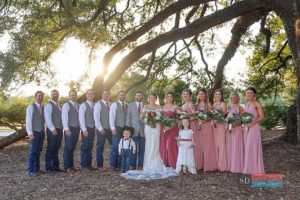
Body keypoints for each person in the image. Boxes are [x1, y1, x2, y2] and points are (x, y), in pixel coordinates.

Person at [121, 93, 177, 180]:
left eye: (153, 97)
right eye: (150, 97)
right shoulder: (146, 106)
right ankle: (147, 164)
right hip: (148, 128)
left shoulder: (159, 107)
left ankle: (156, 162)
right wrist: (148, 122)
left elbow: (163, 118)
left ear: (155, 98)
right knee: (149, 145)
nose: (152, 99)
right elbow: (141, 117)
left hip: (157, 127)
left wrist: (158, 121)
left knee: (156, 144)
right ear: (148, 98)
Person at [243, 87, 265, 174]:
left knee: (252, 147)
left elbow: (262, 117)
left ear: (254, 94)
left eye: (251, 93)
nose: (249, 94)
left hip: (254, 128)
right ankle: (249, 168)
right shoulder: (246, 104)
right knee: (248, 148)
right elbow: (245, 116)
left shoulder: (257, 104)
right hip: (246, 128)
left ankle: (256, 169)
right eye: (247, 93)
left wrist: (252, 123)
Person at [196, 88, 217, 172]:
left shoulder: (208, 104)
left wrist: (203, 121)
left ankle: (208, 165)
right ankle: (200, 164)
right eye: (200, 94)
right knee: (200, 145)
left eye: (203, 94)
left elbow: (212, 116)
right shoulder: (196, 105)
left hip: (207, 126)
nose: (201, 95)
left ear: (205, 95)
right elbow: (195, 115)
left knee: (207, 145)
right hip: (199, 126)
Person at [180, 88, 201, 169]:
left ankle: (194, 164)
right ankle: (186, 164)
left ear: (190, 96)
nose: (185, 95)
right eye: (184, 94)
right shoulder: (183, 105)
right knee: (186, 144)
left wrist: (187, 121)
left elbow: (195, 116)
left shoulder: (191, 104)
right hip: (185, 127)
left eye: (187, 94)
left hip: (191, 126)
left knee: (192, 143)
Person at [26, 91, 45, 176]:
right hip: (34, 132)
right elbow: (28, 121)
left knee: (38, 150)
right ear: (35, 97)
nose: (40, 97)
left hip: (41, 132)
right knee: (33, 151)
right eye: (39, 96)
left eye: (41, 96)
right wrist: (30, 133)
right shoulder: (31, 107)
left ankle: (37, 169)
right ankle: (31, 170)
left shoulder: (43, 107)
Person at [44, 89, 63, 173]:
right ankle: (48, 167)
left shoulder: (59, 105)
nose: (55, 95)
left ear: (58, 95)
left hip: (59, 129)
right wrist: (52, 129)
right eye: (53, 94)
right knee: (51, 148)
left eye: (56, 94)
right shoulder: (48, 105)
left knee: (56, 148)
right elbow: (47, 119)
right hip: (53, 130)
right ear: (51, 95)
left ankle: (55, 166)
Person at [62, 90, 80, 174]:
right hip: (69, 128)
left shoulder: (78, 105)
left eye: (75, 95)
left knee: (72, 147)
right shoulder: (66, 105)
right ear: (69, 96)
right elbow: (64, 117)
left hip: (76, 128)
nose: (73, 96)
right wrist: (66, 129)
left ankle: (71, 165)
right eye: (72, 95)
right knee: (68, 147)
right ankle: (67, 167)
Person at [125, 90, 145, 170]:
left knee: (142, 149)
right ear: (135, 96)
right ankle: (132, 165)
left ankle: (140, 165)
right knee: (133, 149)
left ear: (142, 96)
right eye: (137, 95)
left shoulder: (146, 105)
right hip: (134, 131)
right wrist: (128, 131)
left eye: (140, 95)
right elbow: (128, 118)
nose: (138, 97)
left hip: (143, 131)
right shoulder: (130, 105)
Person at [94, 89, 112, 172]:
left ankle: (113, 165)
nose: (106, 95)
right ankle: (100, 166)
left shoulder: (111, 104)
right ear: (102, 95)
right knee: (100, 147)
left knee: (115, 146)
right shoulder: (98, 104)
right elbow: (96, 118)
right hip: (102, 129)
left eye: (107, 94)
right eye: (104, 94)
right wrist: (100, 128)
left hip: (110, 129)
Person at [109, 91, 128, 171]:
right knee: (115, 147)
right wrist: (113, 128)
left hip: (125, 129)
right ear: (118, 96)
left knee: (123, 146)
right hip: (117, 127)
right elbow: (111, 117)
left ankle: (121, 165)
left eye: (123, 95)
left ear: (125, 96)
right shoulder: (114, 104)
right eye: (120, 95)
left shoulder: (127, 105)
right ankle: (113, 165)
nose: (122, 96)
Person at [226, 92, 244, 173]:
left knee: (236, 146)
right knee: (231, 146)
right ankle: (230, 165)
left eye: (235, 97)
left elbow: (243, 120)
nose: (233, 99)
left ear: (238, 98)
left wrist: (235, 124)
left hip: (237, 129)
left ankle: (237, 166)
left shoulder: (240, 108)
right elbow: (226, 118)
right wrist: (228, 123)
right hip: (230, 130)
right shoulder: (228, 108)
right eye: (232, 98)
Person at [160, 92, 178, 169]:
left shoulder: (176, 107)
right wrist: (164, 126)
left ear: (173, 98)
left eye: (171, 96)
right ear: (166, 98)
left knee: (171, 145)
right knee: (163, 144)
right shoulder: (162, 107)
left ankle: (174, 162)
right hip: (164, 128)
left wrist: (170, 126)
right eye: (168, 97)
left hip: (173, 128)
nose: (169, 98)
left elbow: (177, 119)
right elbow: (160, 118)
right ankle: (165, 162)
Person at [79, 89, 95, 171]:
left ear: (94, 96)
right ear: (86, 95)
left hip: (92, 128)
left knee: (90, 146)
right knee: (85, 146)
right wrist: (84, 129)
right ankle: (83, 165)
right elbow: (81, 118)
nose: (90, 95)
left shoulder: (94, 105)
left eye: (92, 94)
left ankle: (89, 165)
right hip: (86, 128)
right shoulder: (83, 105)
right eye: (89, 94)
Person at [212, 89, 228, 172]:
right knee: (216, 144)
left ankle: (222, 165)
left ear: (221, 96)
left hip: (221, 126)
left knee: (221, 144)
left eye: (219, 94)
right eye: (216, 94)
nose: (218, 96)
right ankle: (217, 164)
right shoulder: (214, 104)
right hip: (214, 127)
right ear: (214, 95)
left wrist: (217, 120)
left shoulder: (223, 104)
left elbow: (224, 116)